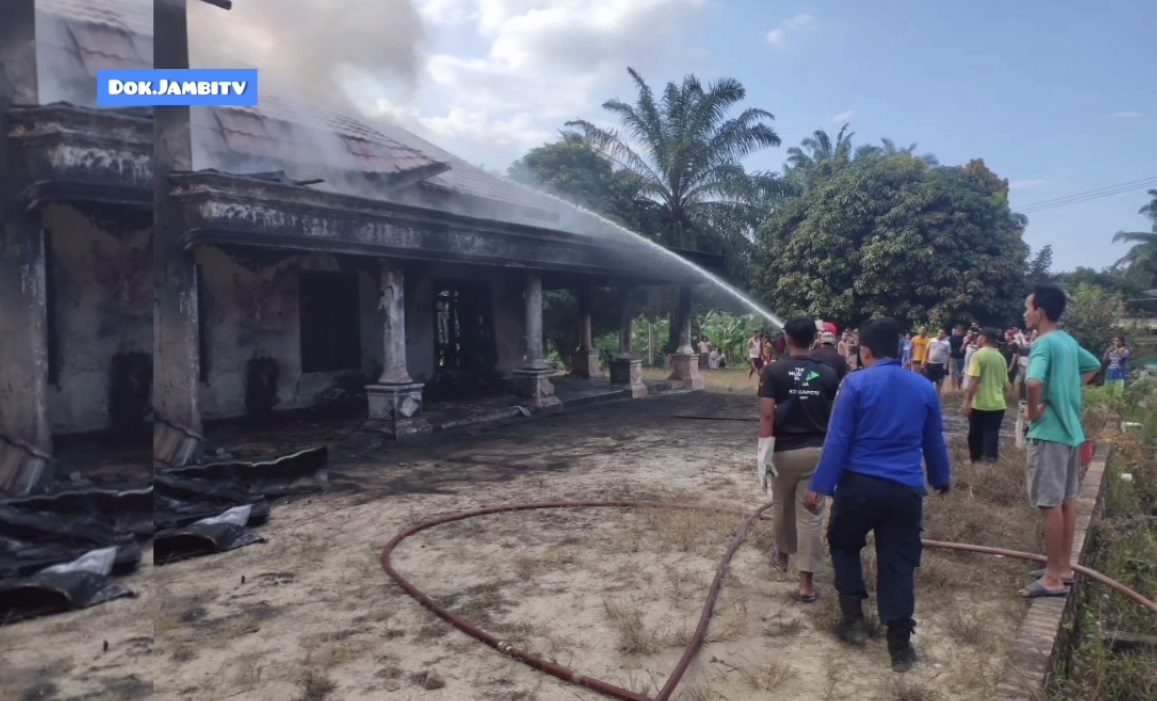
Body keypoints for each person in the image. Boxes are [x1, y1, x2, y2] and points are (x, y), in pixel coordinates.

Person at [805, 318, 951, 673]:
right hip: (905, 491)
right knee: (898, 562)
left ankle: (853, 621)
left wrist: (820, 485)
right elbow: (934, 439)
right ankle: (900, 646)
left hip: (859, 487)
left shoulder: (855, 384)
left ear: (864, 351)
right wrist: (941, 476)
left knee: (843, 544)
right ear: (901, 349)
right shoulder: (924, 387)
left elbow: (838, 439)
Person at [1019, 284, 1102, 599]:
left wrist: (1035, 411)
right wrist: (1069, 391)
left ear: (1039, 311)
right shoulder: (1067, 341)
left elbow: (1034, 381)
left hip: (1050, 433)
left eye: (1028, 308)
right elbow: (1093, 365)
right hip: (1071, 433)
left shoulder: (1043, 344)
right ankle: (1063, 568)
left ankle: (1053, 578)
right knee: (1067, 501)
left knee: (1049, 503)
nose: (1025, 314)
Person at [758, 318, 840, 603]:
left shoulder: (773, 371)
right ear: (814, 340)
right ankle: (806, 585)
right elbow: (833, 416)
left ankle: (782, 557)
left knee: (781, 506)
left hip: (783, 452)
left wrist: (763, 451)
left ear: (787, 339)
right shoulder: (828, 374)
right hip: (816, 452)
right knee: (812, 515)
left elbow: (768, 415)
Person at [964, 328, 1010, 463]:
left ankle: (975, 459)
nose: (977, 340)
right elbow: (1006, 384)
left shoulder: (979, 355)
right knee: (992, 434)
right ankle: (990, 462)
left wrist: (967, 401)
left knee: (975, 434)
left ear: (984, 339)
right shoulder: (1001, 357)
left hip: (980, 404)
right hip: (998, 404)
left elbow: (975, 380)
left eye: (978, 338)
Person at [948, 325, 966, 390]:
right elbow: (949, 350)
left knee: (961, 374)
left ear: (963, 332)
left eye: (960, 331)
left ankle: (959, 387)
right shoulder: (951, 339)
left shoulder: (965, 339)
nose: (959, 332)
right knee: (953, 373)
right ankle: (953, 388)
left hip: (962, 358)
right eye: (957, 330)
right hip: (953, 358)